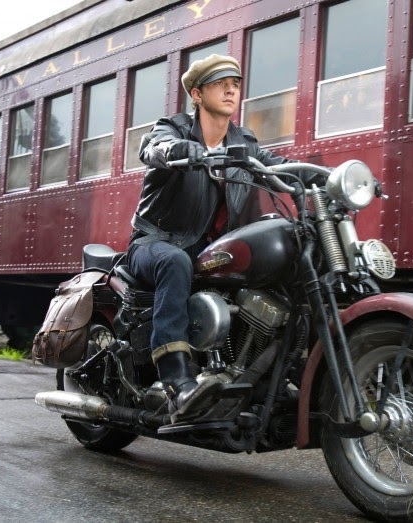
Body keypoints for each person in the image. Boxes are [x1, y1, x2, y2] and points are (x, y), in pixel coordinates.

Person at [128, 54, 299, 422]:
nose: (230, 89)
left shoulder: (243, 143)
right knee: (177, 261)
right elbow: (152, 147)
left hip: (208, 252)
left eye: (235, 83)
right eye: (220, 83)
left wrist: (324, 178)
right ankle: (178, 384)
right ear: (196, 94)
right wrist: (178, 151)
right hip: (157, 244)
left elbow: (277, 164)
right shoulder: (173, 129)